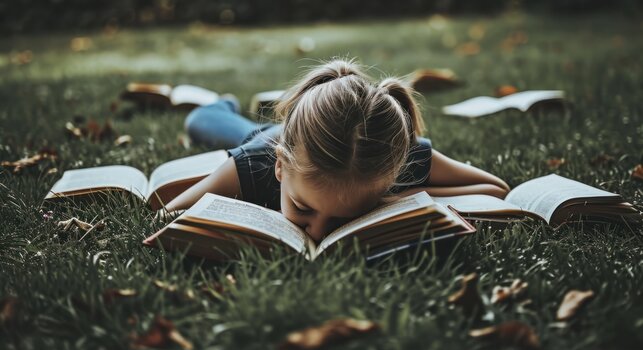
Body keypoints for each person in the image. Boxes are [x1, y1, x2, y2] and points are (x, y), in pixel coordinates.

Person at [159, 59, 510, 243]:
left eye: (342, 220)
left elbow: (496, 190)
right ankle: (224, 102)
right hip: (268, 135)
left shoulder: (397, 155)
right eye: (302, 208)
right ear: (281, 167)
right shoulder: (257, 160)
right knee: (202, 122)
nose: (316, 232)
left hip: (306, 138)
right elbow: (168, 215)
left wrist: (406, 196)